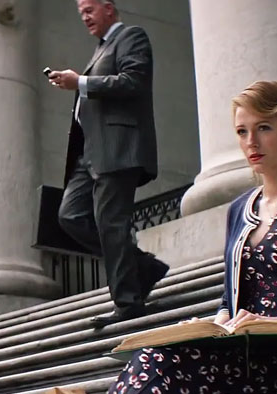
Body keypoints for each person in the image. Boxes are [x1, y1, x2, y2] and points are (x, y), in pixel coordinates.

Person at [108, 81, 277, 393]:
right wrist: (213, 324)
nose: (251, 142)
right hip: (246, 351)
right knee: (154, 358)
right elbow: (233, 298)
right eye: (242, 132)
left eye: (264, 128)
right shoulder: (240, 209)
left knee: (159, 366)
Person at [49, 0, 168, 328]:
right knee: (70, 216)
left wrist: (81, 84)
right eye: (81, 12)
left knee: (110, 224)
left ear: (108, 7)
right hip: (89, 153)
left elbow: (133, 81)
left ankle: (127, 302)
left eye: (89, 9)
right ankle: (143, 267)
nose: (84, 17)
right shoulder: (100, 50)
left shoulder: (131, 36)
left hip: (118, 148)